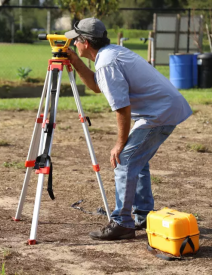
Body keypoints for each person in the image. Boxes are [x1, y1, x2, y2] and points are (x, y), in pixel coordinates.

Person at [65, 18, 192, 241]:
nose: (73, 44)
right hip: (162, 110)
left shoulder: (107, 62)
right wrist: (74, 61)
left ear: (85, 42)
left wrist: (119, 144)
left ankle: (122, 223)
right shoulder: (109, 54)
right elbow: (96, 86)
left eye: (75, 41)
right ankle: (142, 214)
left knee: (124, 160)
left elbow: (122, 108)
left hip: (158, 114)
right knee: (137, 162)